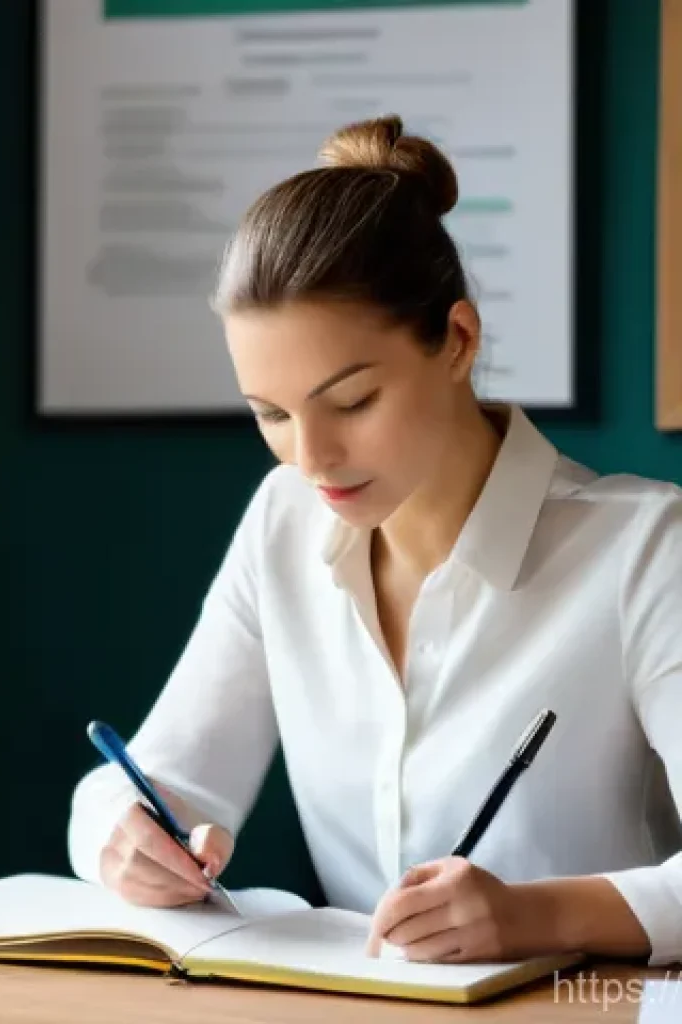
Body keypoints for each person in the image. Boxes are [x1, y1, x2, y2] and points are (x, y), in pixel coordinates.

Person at [66, 115, 682, 967]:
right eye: (272, 415)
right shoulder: (285, 521)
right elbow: (151, 778)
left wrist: (533, 917)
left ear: (457, 341)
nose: (310, 457)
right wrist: (123, 836)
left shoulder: (647, 548)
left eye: (351, 401)